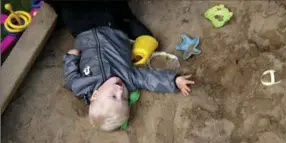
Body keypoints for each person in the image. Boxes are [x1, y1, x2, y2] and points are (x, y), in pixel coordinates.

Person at [45, 0, 195, 131]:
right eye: (123, 98)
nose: (119, 90)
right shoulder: (128, 79)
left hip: (83, 32)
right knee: (113, 11)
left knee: (70, 11)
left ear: (95, 95)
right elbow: (149, 79)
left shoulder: (82, 86)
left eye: (113, 96)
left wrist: (71, 58)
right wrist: (174, 81)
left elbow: (71, 78)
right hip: (111, 27)